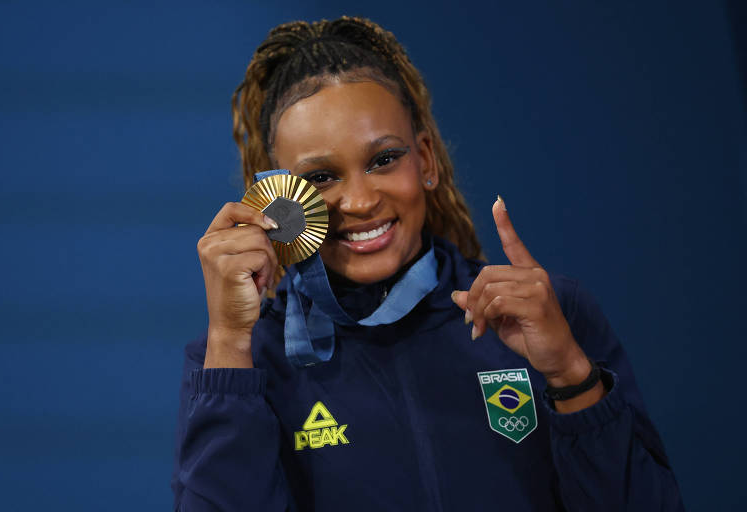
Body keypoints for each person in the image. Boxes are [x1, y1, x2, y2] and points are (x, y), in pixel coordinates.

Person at [172, 16, 684, 511]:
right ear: (278, 202)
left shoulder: (547, 314)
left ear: (427, 161)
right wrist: (230, 344)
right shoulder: (244, 359)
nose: (359, 201)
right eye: (322, 177)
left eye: (383, 160)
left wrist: (571, 373)